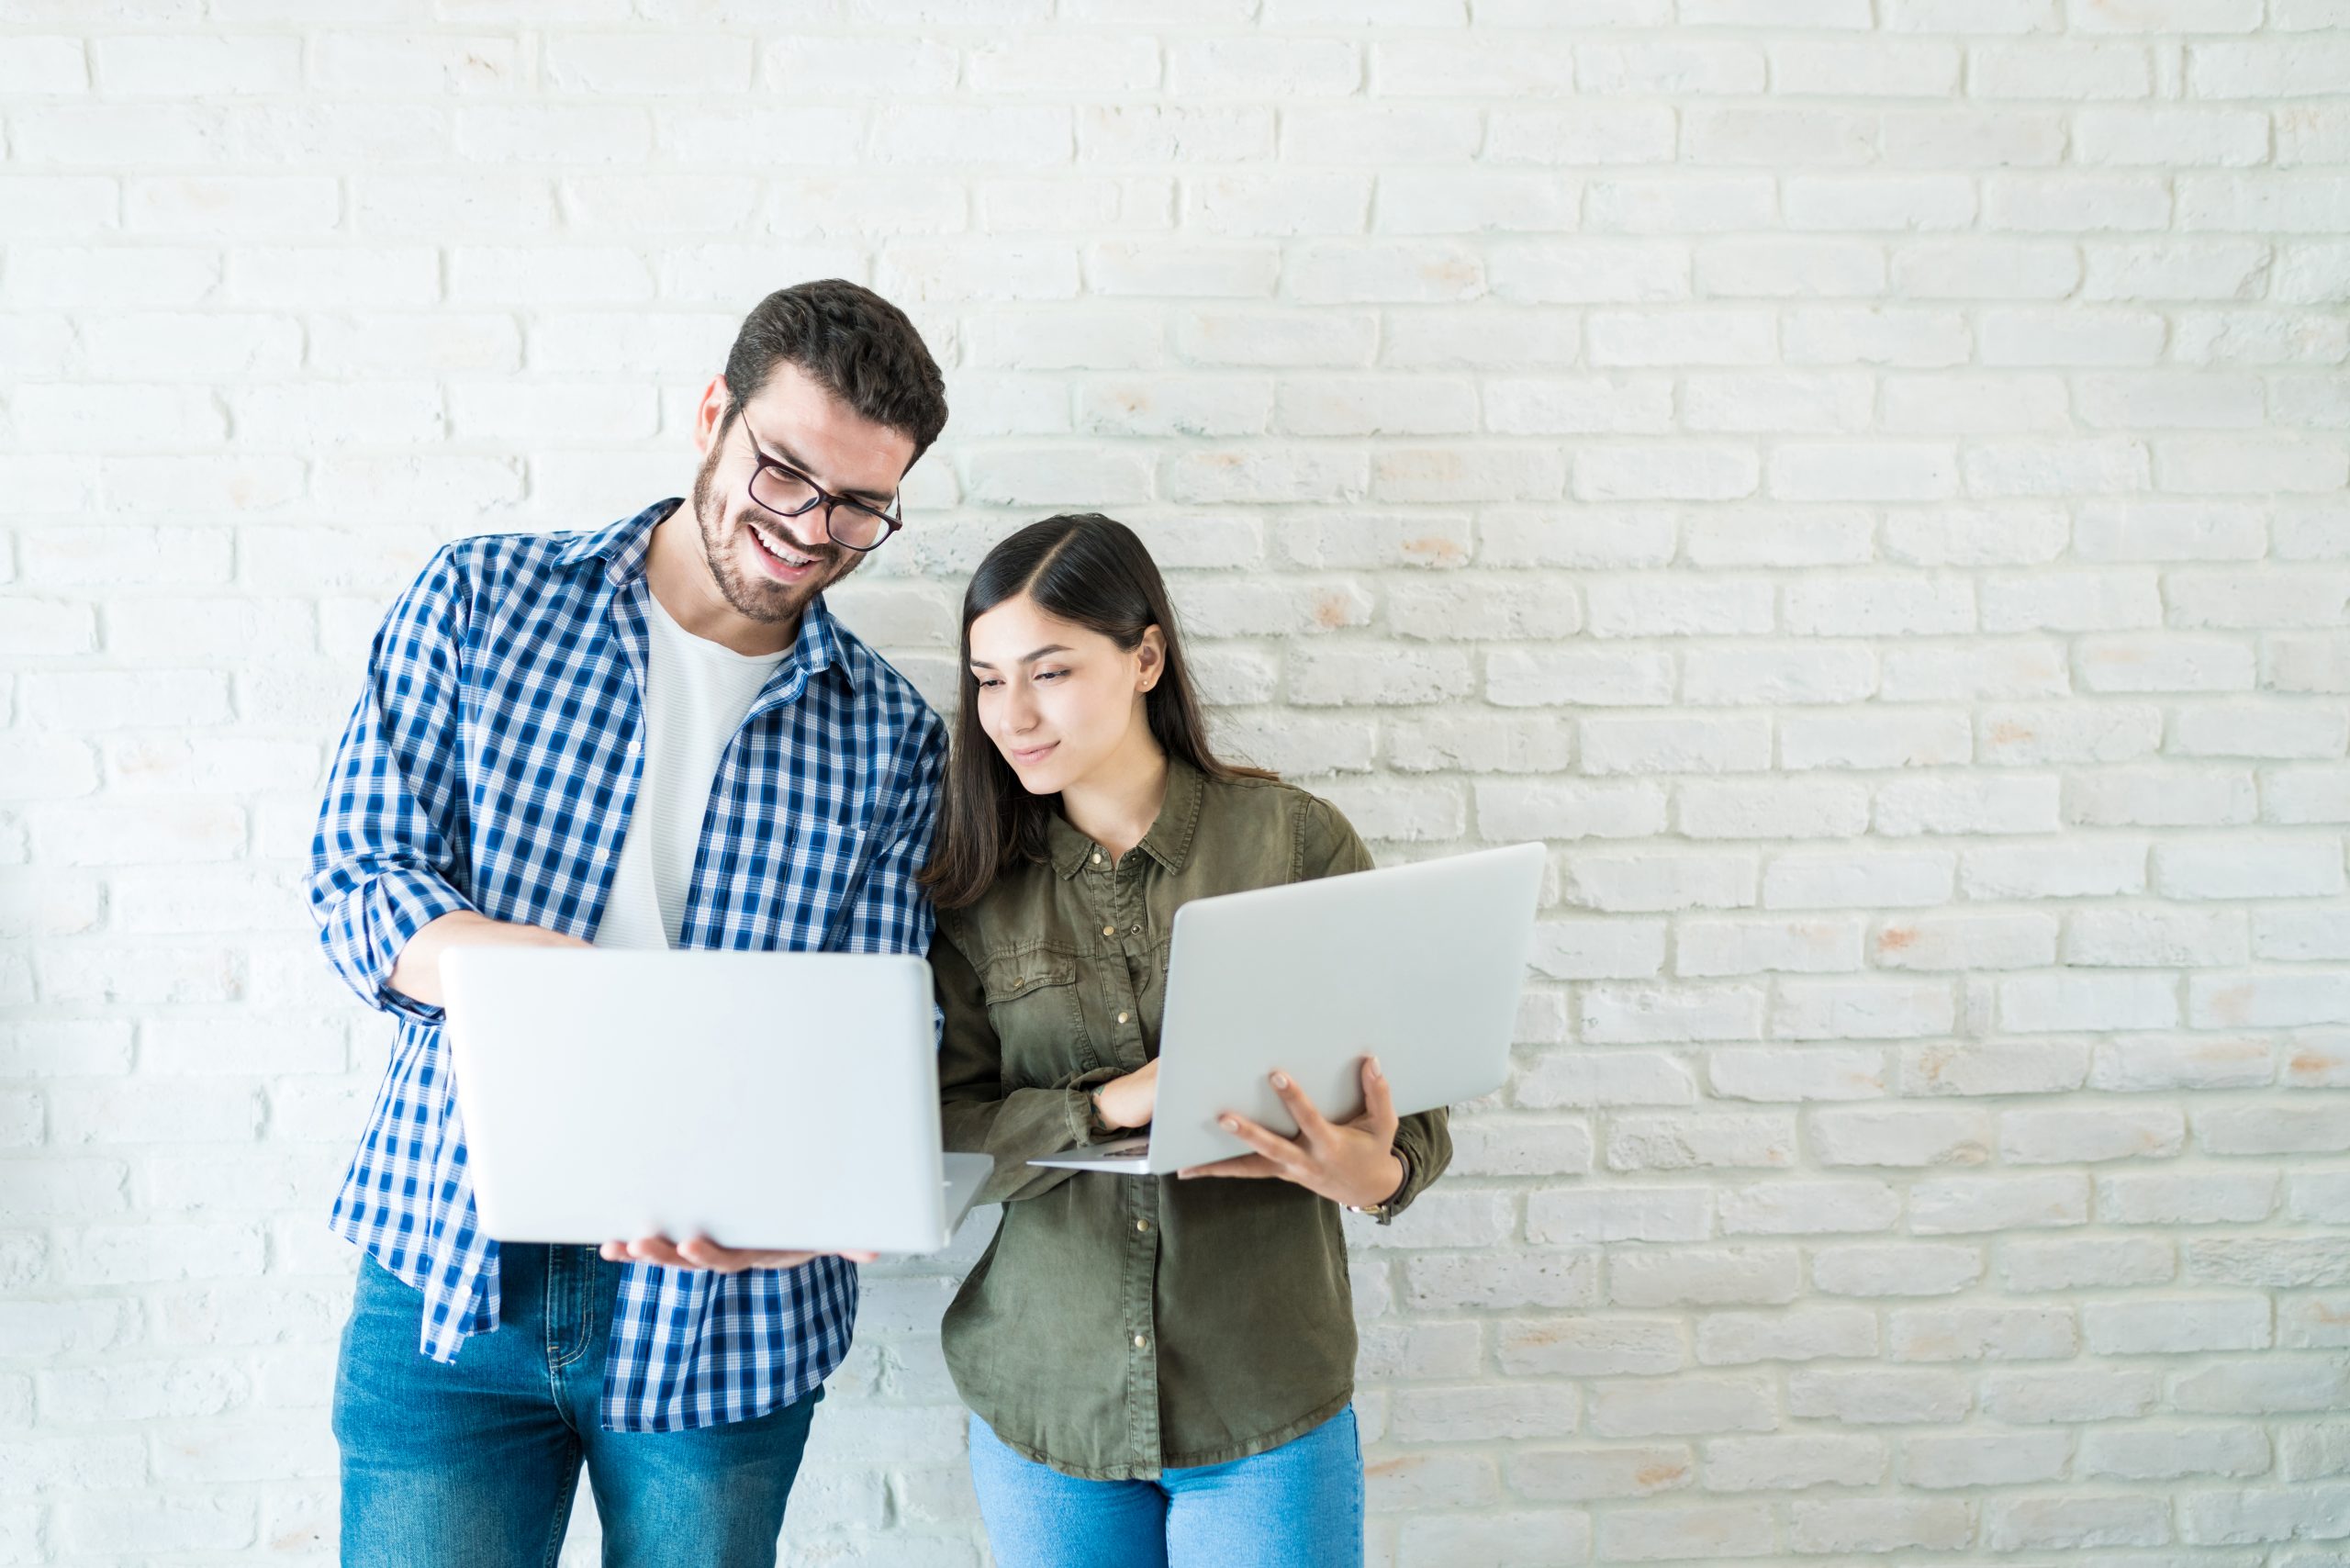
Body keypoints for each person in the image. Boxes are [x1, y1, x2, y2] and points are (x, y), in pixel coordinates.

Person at [306, 279, 949, 1567]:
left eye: (860, 506)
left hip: (728, 1317)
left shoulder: (889, 736)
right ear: (715, 415)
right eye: (783, 474)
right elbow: (358, 881)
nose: (809, 531)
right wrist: (540, 984)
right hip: (450, 1269)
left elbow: (887, 1030)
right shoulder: (484, 602)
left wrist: (811, 1200)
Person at [923, 514, 1451, 1568]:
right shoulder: (977, 885)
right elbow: (942, 1134)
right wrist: (1107, 1104)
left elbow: (1417, 1115)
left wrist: (1371, 1169)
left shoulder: (1291, 841)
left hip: (1262, 1398)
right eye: (987, 680)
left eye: (1050, 671)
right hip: (1046, 1402)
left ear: (1146, 657)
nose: (1011, 715)